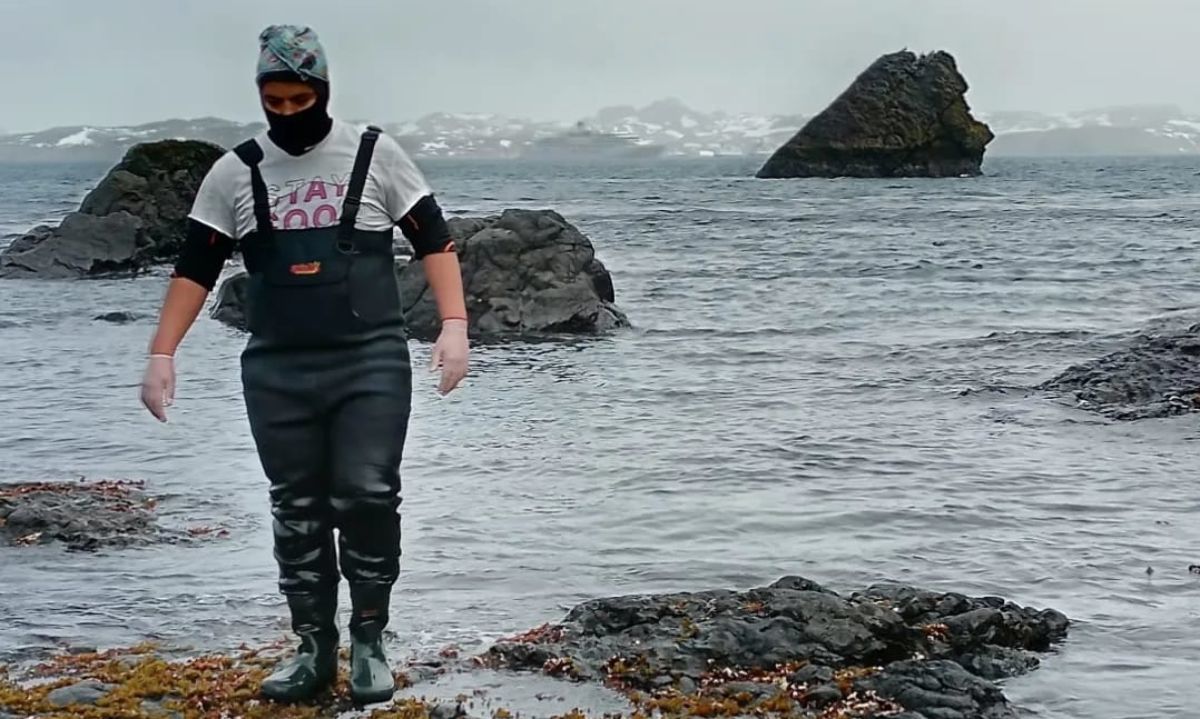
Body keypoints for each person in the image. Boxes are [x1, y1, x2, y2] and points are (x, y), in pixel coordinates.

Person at [138, 25, 469, 706]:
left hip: (370, 359)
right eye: (275, 102)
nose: (288, 113)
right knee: (298, 508)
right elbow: (195, 268)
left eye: (299, 100)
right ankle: (313, 645)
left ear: (322, 91)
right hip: (277, 369)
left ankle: (370, 638)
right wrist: (161, 353)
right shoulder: (236, 171)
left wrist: (455, 325)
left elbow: (434, 240)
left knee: (367, 492)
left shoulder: (375, 155)